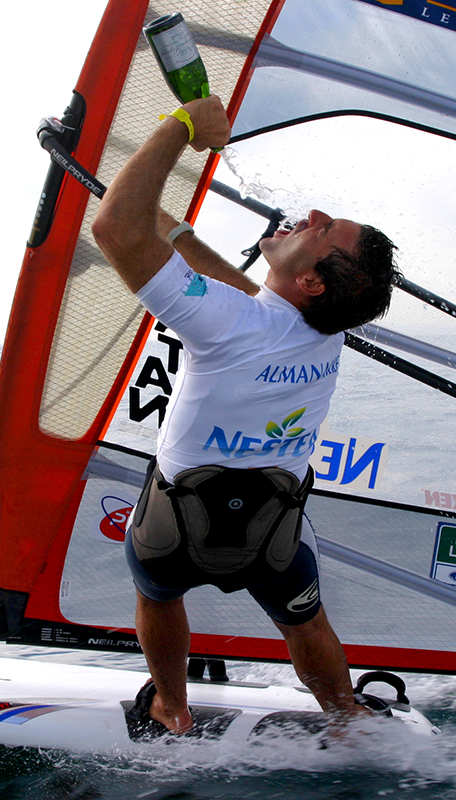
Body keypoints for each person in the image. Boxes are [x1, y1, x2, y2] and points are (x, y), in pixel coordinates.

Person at [91, 95, 399, 736]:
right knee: (306, 622)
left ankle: (172, 708)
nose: (313, 216)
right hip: (272, 538)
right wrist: (176, 234)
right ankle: (345, 719)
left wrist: (181, 126)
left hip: (173, 531)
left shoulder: (229, 323)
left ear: (312, 282)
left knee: (157, 595)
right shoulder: (324, 330)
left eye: (323, 230)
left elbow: (115, 230)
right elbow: (243, 293)